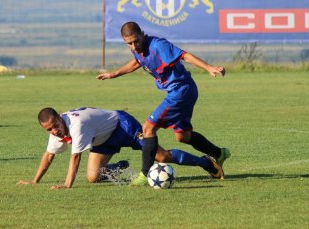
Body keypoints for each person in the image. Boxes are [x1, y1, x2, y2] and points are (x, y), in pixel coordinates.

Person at [96, 21, 231, 185]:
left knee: (148, 128)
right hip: (182, 91)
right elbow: (137, 62)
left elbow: (184, 55)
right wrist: (114, 74)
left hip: (180, 91)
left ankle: (145, 174)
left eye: (136, 41)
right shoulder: (137, 50)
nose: (133, 46)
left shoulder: (158, 45)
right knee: (183, 136)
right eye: (129, 43)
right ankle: (218, 153)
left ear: (142, 34)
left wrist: (209, 67)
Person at [17, 107, 224, 189]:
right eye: (49, 129)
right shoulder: (57, 132)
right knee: (93, 177)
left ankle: (207, 162)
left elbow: (75, 158)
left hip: (123, 126)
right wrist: (34, 181)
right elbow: (49, 156)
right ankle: (120, 166)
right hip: (104, 140)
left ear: (60, 118)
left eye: (55, 125)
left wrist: (66, 185)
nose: (54, 131)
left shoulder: (76, 125)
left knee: (161, 156)